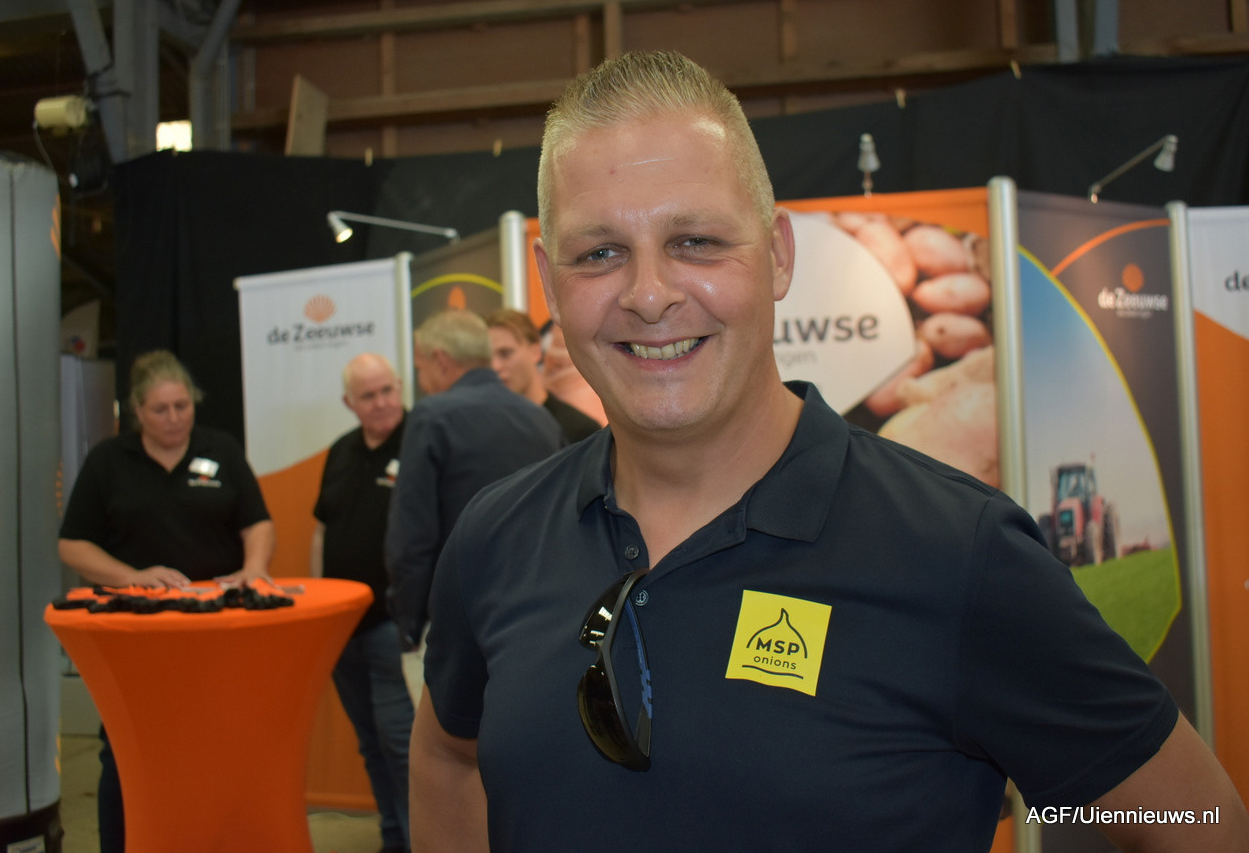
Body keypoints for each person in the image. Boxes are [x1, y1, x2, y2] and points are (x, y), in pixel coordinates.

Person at [408, 51, 1249, 853]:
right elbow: (449, 754)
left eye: (696, 240)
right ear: (550, 285)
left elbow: (1191, 818)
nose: (650, 294)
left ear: (777, 255)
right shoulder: (496, 537)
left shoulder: (957, 553)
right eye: (599, 254)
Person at [58, 349, 275, 853]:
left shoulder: (221, 449)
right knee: (126, 751)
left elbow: (258, 522)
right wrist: (133, 578)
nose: (174, 418)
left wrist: (254, 568)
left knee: (217, 745)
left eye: (183, 406)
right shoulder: (108, 461)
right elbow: (73, 545)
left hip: (213, 630)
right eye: (161, 409)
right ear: (137, 411)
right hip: (137, 635)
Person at [384, 308, 564, 702]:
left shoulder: (432, 416)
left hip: (453, 621)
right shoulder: (541, 421)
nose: (422, 380)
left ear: (440, 360)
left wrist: (409, 624)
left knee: (443, 738)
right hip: (533, 619)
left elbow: (412, 536)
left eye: (420, 368)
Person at [310, 352, 413, 853]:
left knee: (403, 746)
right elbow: (321, 531)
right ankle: (392, 838)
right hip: (343, 627)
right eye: (368, 396)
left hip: (395, 625)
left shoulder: (421, 441)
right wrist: (319, 608)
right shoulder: (341, 451)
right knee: (371, 743)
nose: (381, 403)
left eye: (387, 390)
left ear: (400, 387)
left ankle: (419, 842)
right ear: (349, 403)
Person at [485, 307, 602, 442]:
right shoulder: (483, 428)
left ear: (535, 352)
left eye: (505, 353)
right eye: (487, 358)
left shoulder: (579, 430)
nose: (495, 366)